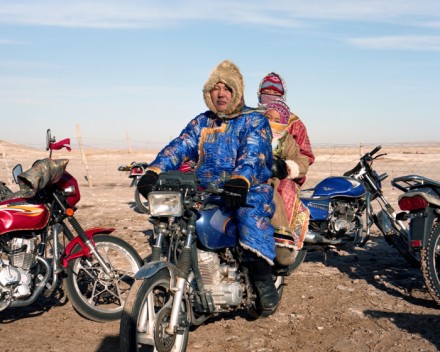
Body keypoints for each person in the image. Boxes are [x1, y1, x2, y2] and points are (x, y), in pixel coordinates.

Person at [137, 60, 279, 311]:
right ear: (208, 93)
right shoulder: (202, 122)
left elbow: (253, 153)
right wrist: (154, 170)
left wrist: (240, 180)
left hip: (248, 189)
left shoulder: (254, 121)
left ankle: (262, 279)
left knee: (249, 218)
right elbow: (179, 146)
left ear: (237, 92)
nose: (221, 94)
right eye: (215, 88)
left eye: (227, 89)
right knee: (175, 222)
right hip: (207, 190)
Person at [258, 72, 315, 266]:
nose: (269, 99)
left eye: (275, 95)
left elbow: (304, 156)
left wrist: (286, 168)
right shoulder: (250, 119)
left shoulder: (294, 125)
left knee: (283, 191)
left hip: (280, 176)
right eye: (266, 94)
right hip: (249, 172)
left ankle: (282, 242)